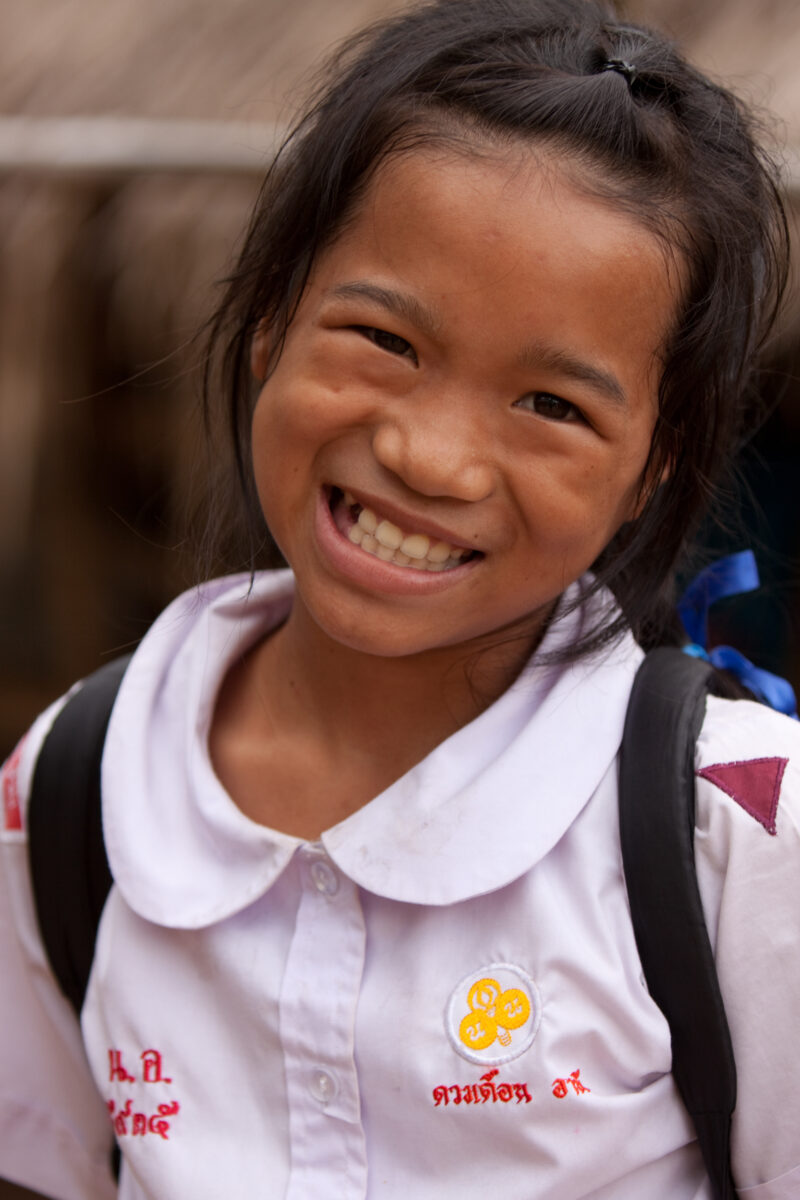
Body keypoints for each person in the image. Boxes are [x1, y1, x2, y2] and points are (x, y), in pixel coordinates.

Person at [1, 0, 798, 1196]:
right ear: (269, 317)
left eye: (551, 406)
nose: (431, 459)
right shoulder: (74, 787)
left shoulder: (734, 829)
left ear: (655, 464)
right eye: (383, 339)